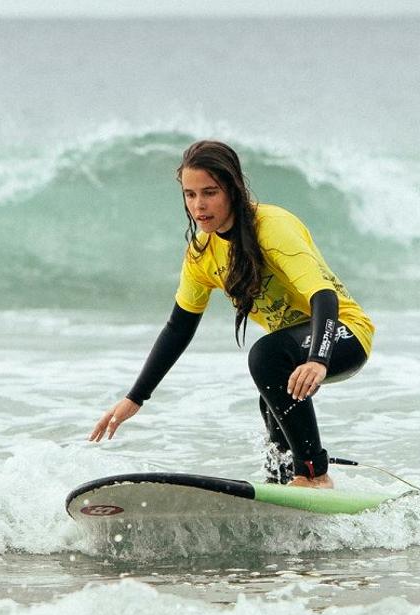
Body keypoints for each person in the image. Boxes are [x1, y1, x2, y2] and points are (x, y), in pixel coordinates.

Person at [88, 140, 374, 489]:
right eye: (190, 194)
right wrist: (135, 397)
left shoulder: (272, 226)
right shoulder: (202, 253)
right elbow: (178, 327)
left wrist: (318, 359)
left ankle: (315, 475)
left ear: (233, 190)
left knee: (267, 357)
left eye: (210, 192)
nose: (199, 205)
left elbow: (323, 295)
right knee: (272, 399)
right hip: (294, 348)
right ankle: (284, 485)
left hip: (344, 333)